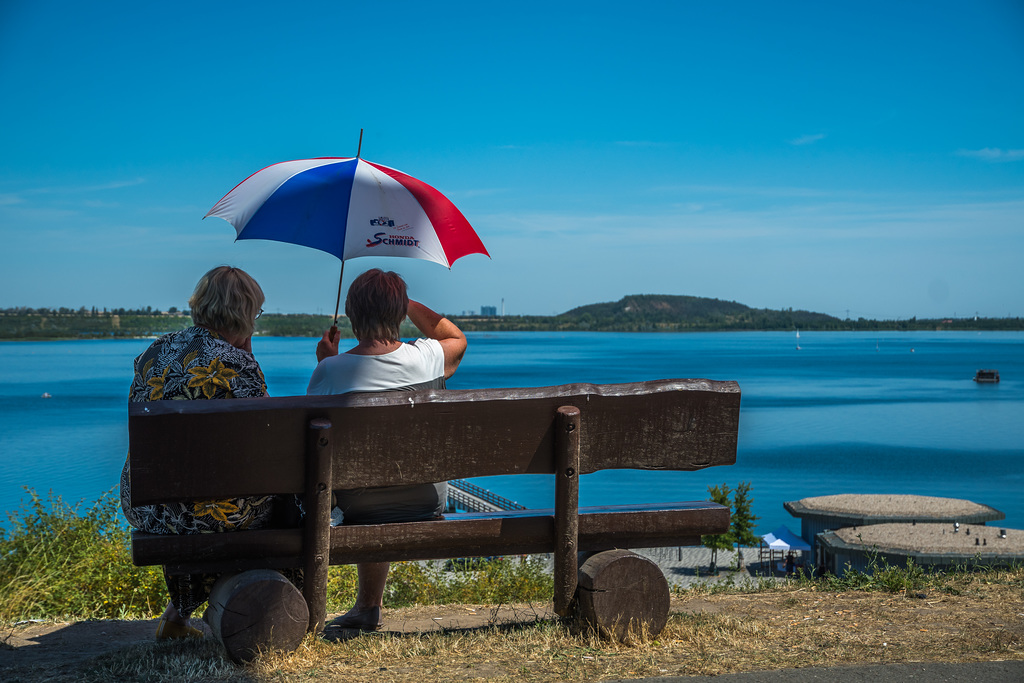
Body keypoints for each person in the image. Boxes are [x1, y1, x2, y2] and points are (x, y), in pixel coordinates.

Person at [120, 266, 294, 639]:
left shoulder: (154, 351)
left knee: (203, 492)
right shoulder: (237, 364)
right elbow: (272, 436)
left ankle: (178, 615)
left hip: (149, 506)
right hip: (211, 512)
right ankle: (283, 611)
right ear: (247, 313)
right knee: (285, 502)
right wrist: (251, 360)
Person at [307, 268, 467, 630]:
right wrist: (404, 303)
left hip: (358, 503)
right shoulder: (427, 358)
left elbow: (314, 433)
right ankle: (368, 606)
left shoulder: (331, 371)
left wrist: (324, 360)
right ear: (398, 314)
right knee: (388, 473)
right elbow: (456, 338)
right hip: (426, 499)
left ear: (351, 315)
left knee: (371, 481)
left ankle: (364, 606)